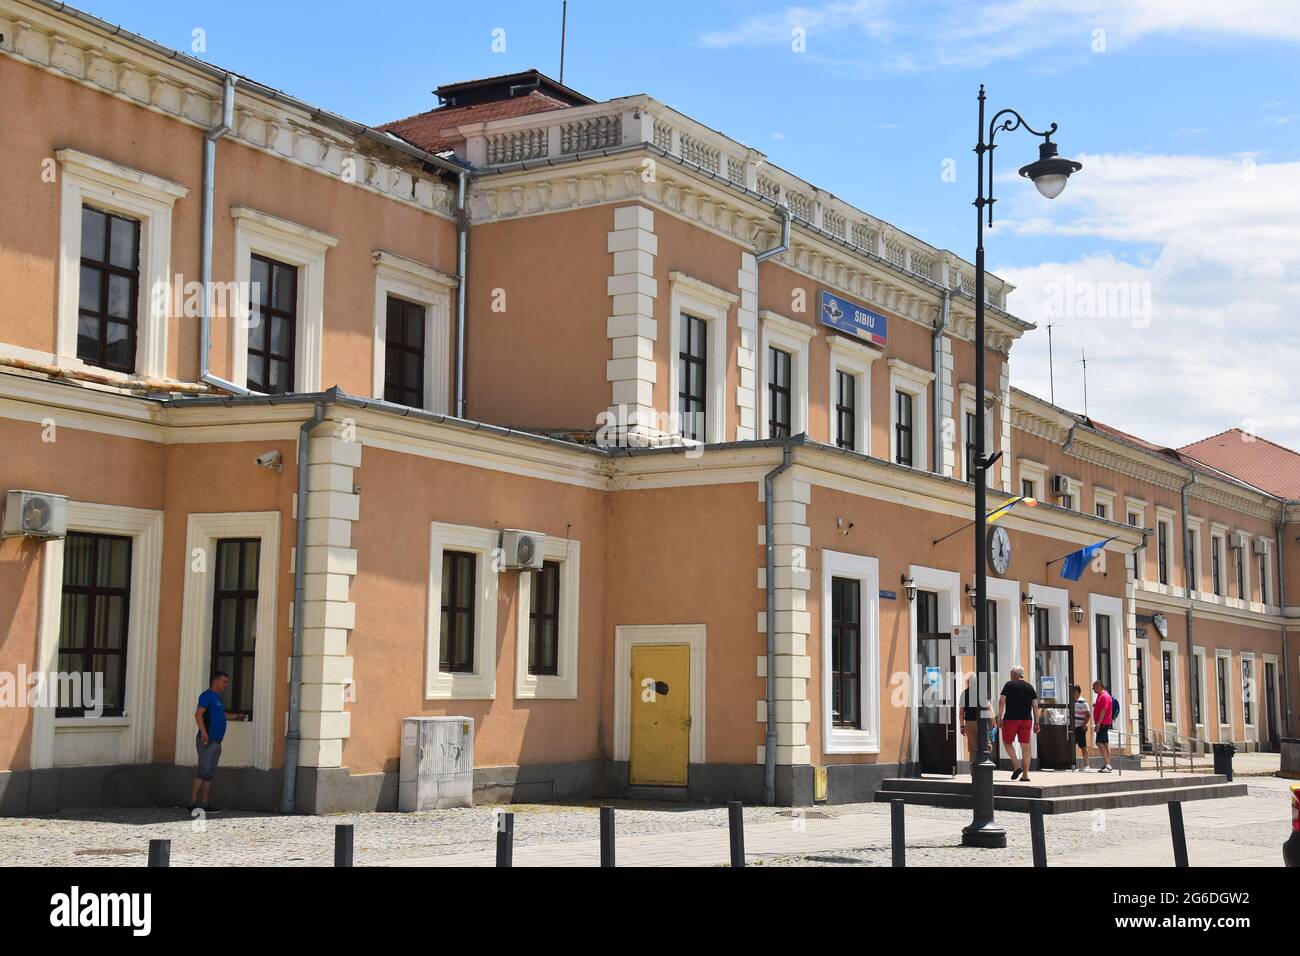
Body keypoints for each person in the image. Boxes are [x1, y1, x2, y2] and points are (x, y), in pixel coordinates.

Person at [190, 672, 229, 813]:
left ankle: (205, 804)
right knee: (203, 771)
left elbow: (221, 715)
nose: (226, 685)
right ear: (216, 681)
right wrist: (204, 732)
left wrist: (237, 716)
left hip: (217, 741)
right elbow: (198, 714)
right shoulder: (207, 696)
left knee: (209, 773)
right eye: (224, 682)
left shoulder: (218, 699)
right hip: (208, 740)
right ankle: (192, 804)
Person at [997, 665, 1040, 782]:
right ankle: (1025, 775)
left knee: (1007, 742)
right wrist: (1036, 722)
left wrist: (999, 718)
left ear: (1016, 675)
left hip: (1010, 719)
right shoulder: (1030, 687)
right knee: (1025, 746)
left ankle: (1016, 765)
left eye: (1011, 673)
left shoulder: (1009, 685)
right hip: (1027, 720)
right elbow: (1035, 706)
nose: (1010, 676)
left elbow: (1001, 702)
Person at [960, 674, 997, 765]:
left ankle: (973, 770)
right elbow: (988, 708)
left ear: (968, 682)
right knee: (987, 746)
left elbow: (961, 712)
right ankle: (985, 764)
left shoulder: (964, 693)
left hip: (968, 723)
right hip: (981, 723)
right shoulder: (981, 693)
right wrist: (993, 723)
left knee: (973, 748)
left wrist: (962, 725)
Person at [1092, 680, 1114, 773]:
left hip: (1103, 723)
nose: (1093, 689)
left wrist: (1098, 724)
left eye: (1094, 687)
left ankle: (1107, 765)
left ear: (1099, 686)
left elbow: (1103, 710)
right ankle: (1107, 764)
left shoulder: (1104, 696)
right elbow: (1101, 708)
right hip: (1104, 723)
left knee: (1099, 742)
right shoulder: (1101, 696)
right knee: (1105, 743)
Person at [1071, 683, 1091, 770]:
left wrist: (1083, 724)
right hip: (1072, 727)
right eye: (1072, 692)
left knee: (1083, 746)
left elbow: (1088, 714)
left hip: (1080, 727)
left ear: (1078, 692)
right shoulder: (1071, 701)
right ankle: (1072, 765)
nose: (1073, 694)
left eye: (1075, 692)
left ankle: (1087, 765)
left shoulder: (1083, 701)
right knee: (1071, 747)